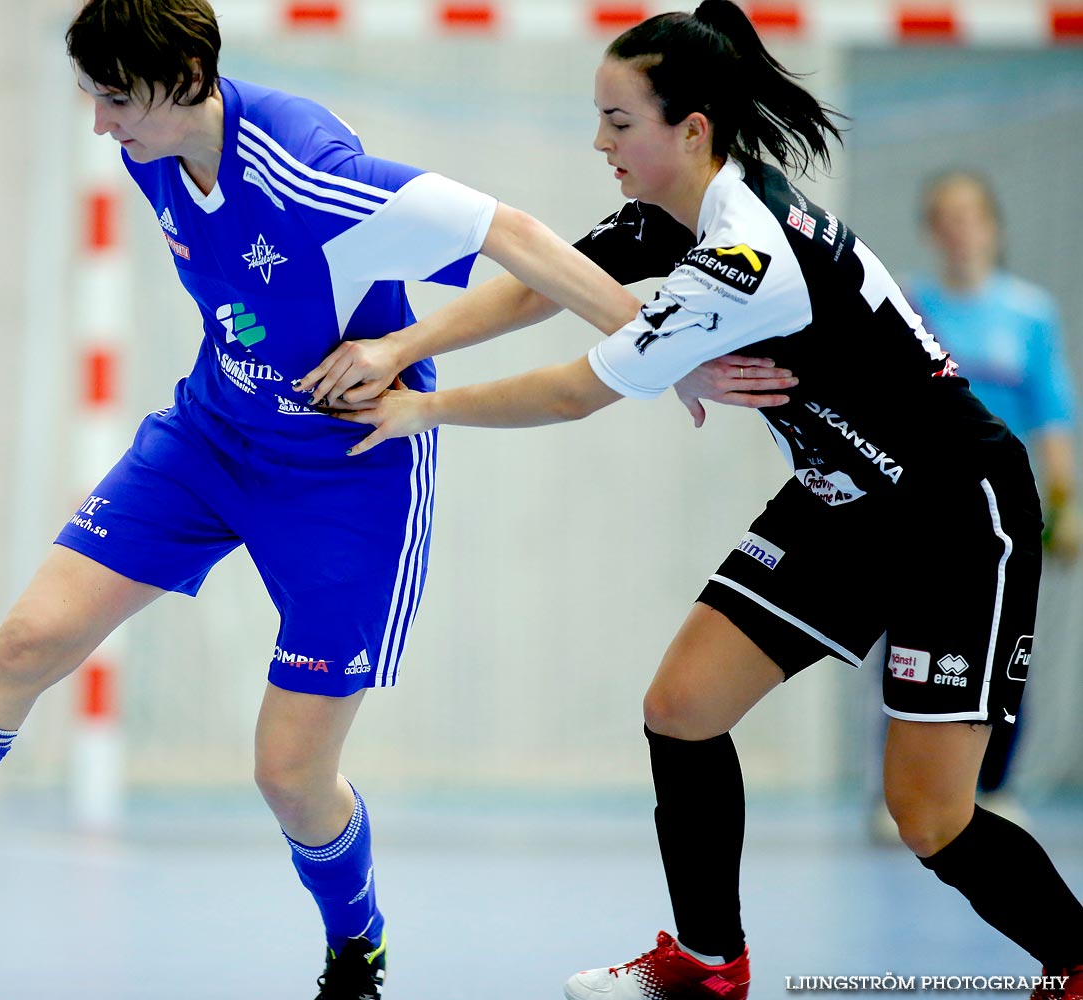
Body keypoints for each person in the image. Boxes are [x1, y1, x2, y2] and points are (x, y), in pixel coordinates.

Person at [0, 2, 785, 997]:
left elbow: (512, 233)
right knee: (23, 644)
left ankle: (357, 939)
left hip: (349, 471)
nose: (101, 124)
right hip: (209, 438)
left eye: (115, 99)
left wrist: (662, 355)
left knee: (289, 775)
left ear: (186, 80)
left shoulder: (312, 175)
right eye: (92, 97)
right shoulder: (148, 151)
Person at [298, 3, 1083, 998]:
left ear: (692, 129)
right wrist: (403, 345)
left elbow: (576, 390)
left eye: (619, 121)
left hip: (952, 514)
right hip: (843, 497)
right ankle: (711, 965)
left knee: (929, 814)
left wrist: (423, 408)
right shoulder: (682, 210)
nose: (599, 141)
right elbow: (548, 284)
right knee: (681, 706)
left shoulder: (744, 253)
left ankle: (1077, 956)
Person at [907, 169, 1081, 814]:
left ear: (993, 226)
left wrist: (1065, 507)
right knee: (913, 639)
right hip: (926, 501)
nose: (959, 231)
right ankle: (909, 789)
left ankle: (995, 788)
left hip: (1008, 506)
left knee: (1005, 642)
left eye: (969, 216)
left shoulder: (1030, 314)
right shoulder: (912, 304)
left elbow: (1053, 413)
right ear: (931, 232)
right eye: (943, 218)